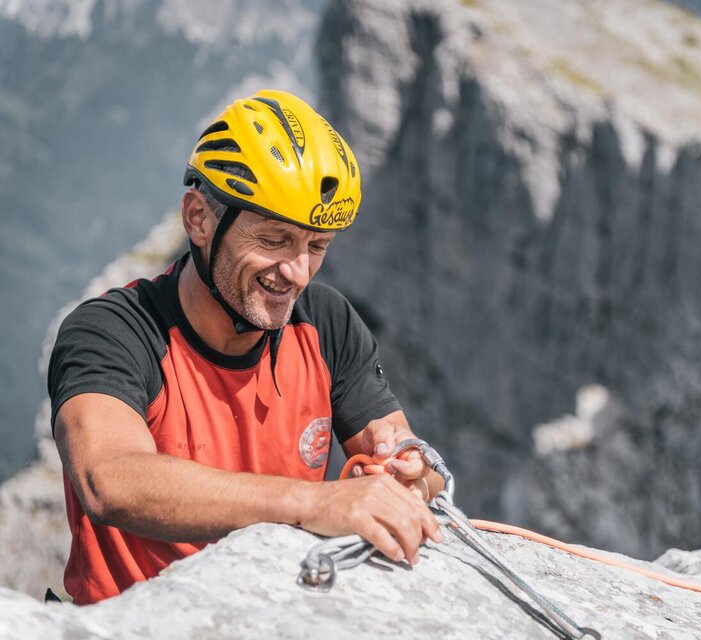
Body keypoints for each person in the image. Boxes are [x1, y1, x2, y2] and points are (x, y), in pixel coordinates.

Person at [48, 89, 442, 605]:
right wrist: (311, 501)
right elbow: (109, 480)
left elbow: (408, 454)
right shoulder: (114, 331)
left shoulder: (325, 325)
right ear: (199, 219)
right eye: (275, 240)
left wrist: (412, 476)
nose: (298, 272)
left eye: (316, 245)